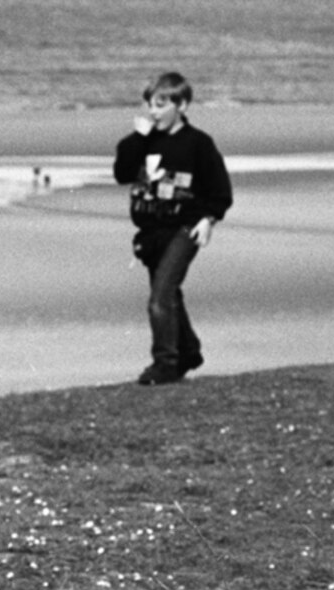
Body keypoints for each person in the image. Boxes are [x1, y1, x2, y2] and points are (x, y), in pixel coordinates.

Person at [111, 70, 233, 384]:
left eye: (161, 105)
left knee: (159, 298)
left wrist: (209, 219)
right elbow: (122, 172)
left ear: (181, 106)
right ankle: (188, 350)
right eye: (150, 104)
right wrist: (139, 138)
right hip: (151, 233)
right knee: (170, 295)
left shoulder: (198, 144)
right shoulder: (141, 142)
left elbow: (220, 191)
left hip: (186, 228)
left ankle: (165, 363)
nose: (153, 112)